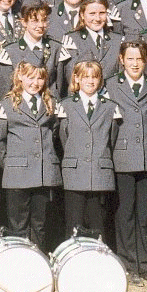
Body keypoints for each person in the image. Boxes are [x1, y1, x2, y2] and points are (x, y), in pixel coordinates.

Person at [104, 40, 147, 287]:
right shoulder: (110, 86)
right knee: (125, 213)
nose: (135, 63)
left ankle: (146, 265)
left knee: (144, 214)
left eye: (139, 59)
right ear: (121, 60)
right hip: (123, 157)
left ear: (145, 61)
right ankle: (129, 264)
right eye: (130, 59)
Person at [0, 61, 61, 250]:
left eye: (40, 78)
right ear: (20, 78)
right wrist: (10, 166)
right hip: (17, 176)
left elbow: (54, 133)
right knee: (18, 225)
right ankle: (20, 265)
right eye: (30, 77)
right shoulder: (7, 104)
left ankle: (38, 263)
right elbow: (0, 141)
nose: (35, 82)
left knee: (39, 224)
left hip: (43, 173)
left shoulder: (51, 102)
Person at [58, 61, 120, 241]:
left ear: (100, 80)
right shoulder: (66, 105)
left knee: (98, 222)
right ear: (77, 78)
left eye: (95, 77)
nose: (90, 81)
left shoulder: (110, 106)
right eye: (85, 76)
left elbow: (112, 138)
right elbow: (64, 137)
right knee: (73, 223)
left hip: (99, 174)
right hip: (75, 173)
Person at [0, 3, 69, 100]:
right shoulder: (10, 52)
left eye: (44, 20)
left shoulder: (56, 49)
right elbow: (3, 93)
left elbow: (61, 88)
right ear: (24, 22)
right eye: (34, 21)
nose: (41, 25)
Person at [62, 0, 123, 81]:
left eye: (102, 13)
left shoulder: (117, 40)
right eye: (92, 13)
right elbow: (69, 75)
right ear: (82, 15)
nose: (97, 18)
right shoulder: (72, 40)